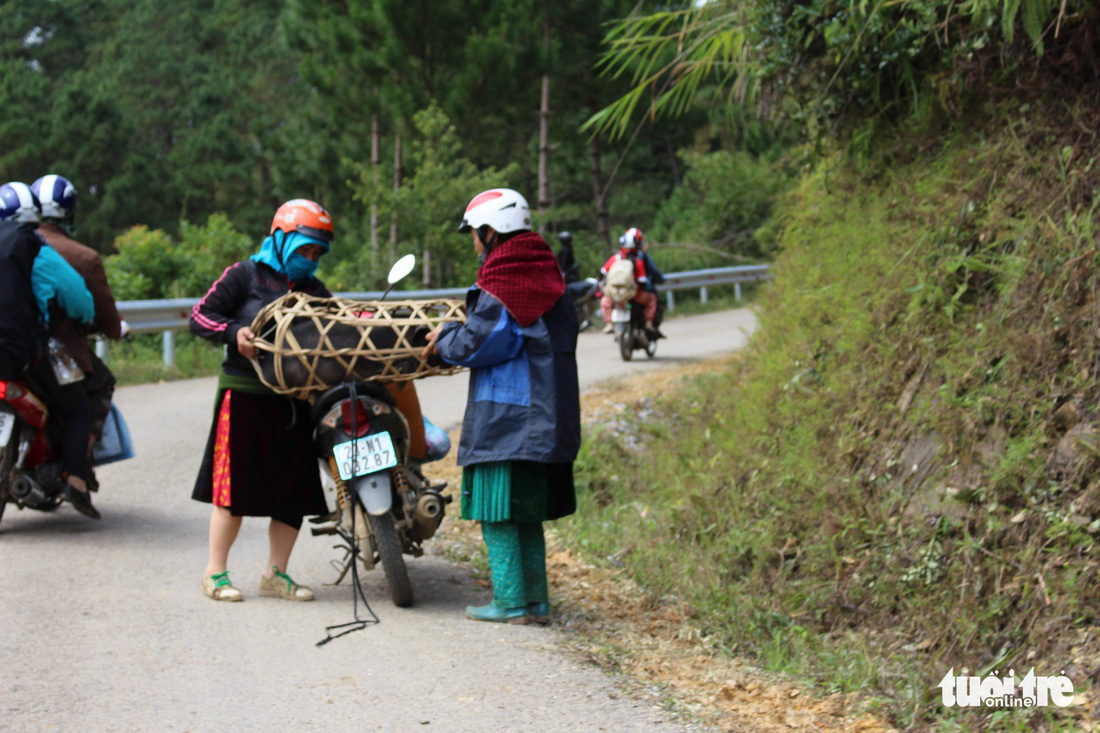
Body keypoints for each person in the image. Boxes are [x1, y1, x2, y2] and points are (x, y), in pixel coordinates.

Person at [422, 188, 581, 624]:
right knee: (527, 513)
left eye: (475, 233)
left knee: (497, 510)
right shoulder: (549, 272)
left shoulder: (504, 279)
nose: (474, 242)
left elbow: (482, 341)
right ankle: (536, 603)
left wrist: (445, 340)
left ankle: (509, 603)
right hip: (550, 415)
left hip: (509, 417)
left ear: (492, 232)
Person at [189, 199, 335, 602]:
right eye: (305, 249)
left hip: (294, 401)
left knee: (292, 490)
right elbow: (200, 316)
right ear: (281, 238)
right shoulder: (244, 275)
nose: (310, 259)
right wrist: (234, 332)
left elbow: (338, 328)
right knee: (233, 489)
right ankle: (215, 572)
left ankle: (276, 575)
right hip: (246, 394)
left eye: (316, 253)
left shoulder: (314, 291)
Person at [0, 182, 98, 518]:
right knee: (76, 408)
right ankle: (76, 482)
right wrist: (85, 320)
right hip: (21, 353)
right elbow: (80, 300)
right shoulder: (35, 247)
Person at [32, 174, 127, 490]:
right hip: (55, 351)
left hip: (13, 345)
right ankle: (77, 471)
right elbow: (90, 310)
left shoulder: (12, 244)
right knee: (93, 392)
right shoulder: (80, 257)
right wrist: (112, 329)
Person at [599, 227, 659, 335]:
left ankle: (609, 324)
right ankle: (648, 324)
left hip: (615, 294)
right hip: (633, 294)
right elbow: (642, 281)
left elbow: (602, 273)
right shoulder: (638, 261)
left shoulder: (615, 258)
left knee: (605, 301)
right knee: (652, 299)